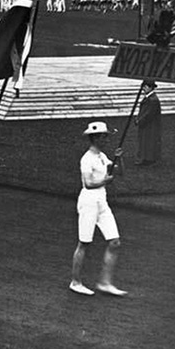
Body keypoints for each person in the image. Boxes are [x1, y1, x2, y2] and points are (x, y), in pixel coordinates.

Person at [70, 121, 127, 297]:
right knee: (84, 243)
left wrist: (120, 158)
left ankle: (105, 282)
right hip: (88, 202)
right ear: (94, 138)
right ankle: (75, 282)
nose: (106, 139)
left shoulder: (103, 156)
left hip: (102, 201)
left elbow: (119, 172)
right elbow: (87, 183)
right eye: (103, 136)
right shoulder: (86, 159)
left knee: (114, 241)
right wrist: (105, 181)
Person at [135, 81, 161, 165]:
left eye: (145, 87)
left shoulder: (153, 100)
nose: (143, 89)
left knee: (149, 140)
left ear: (150, 88)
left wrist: (140, 120)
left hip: (150, 124)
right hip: (147, 123)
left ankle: (149, 159)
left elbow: (149, 113)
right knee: (145, 140)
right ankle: (146, 158)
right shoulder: (149, 98)